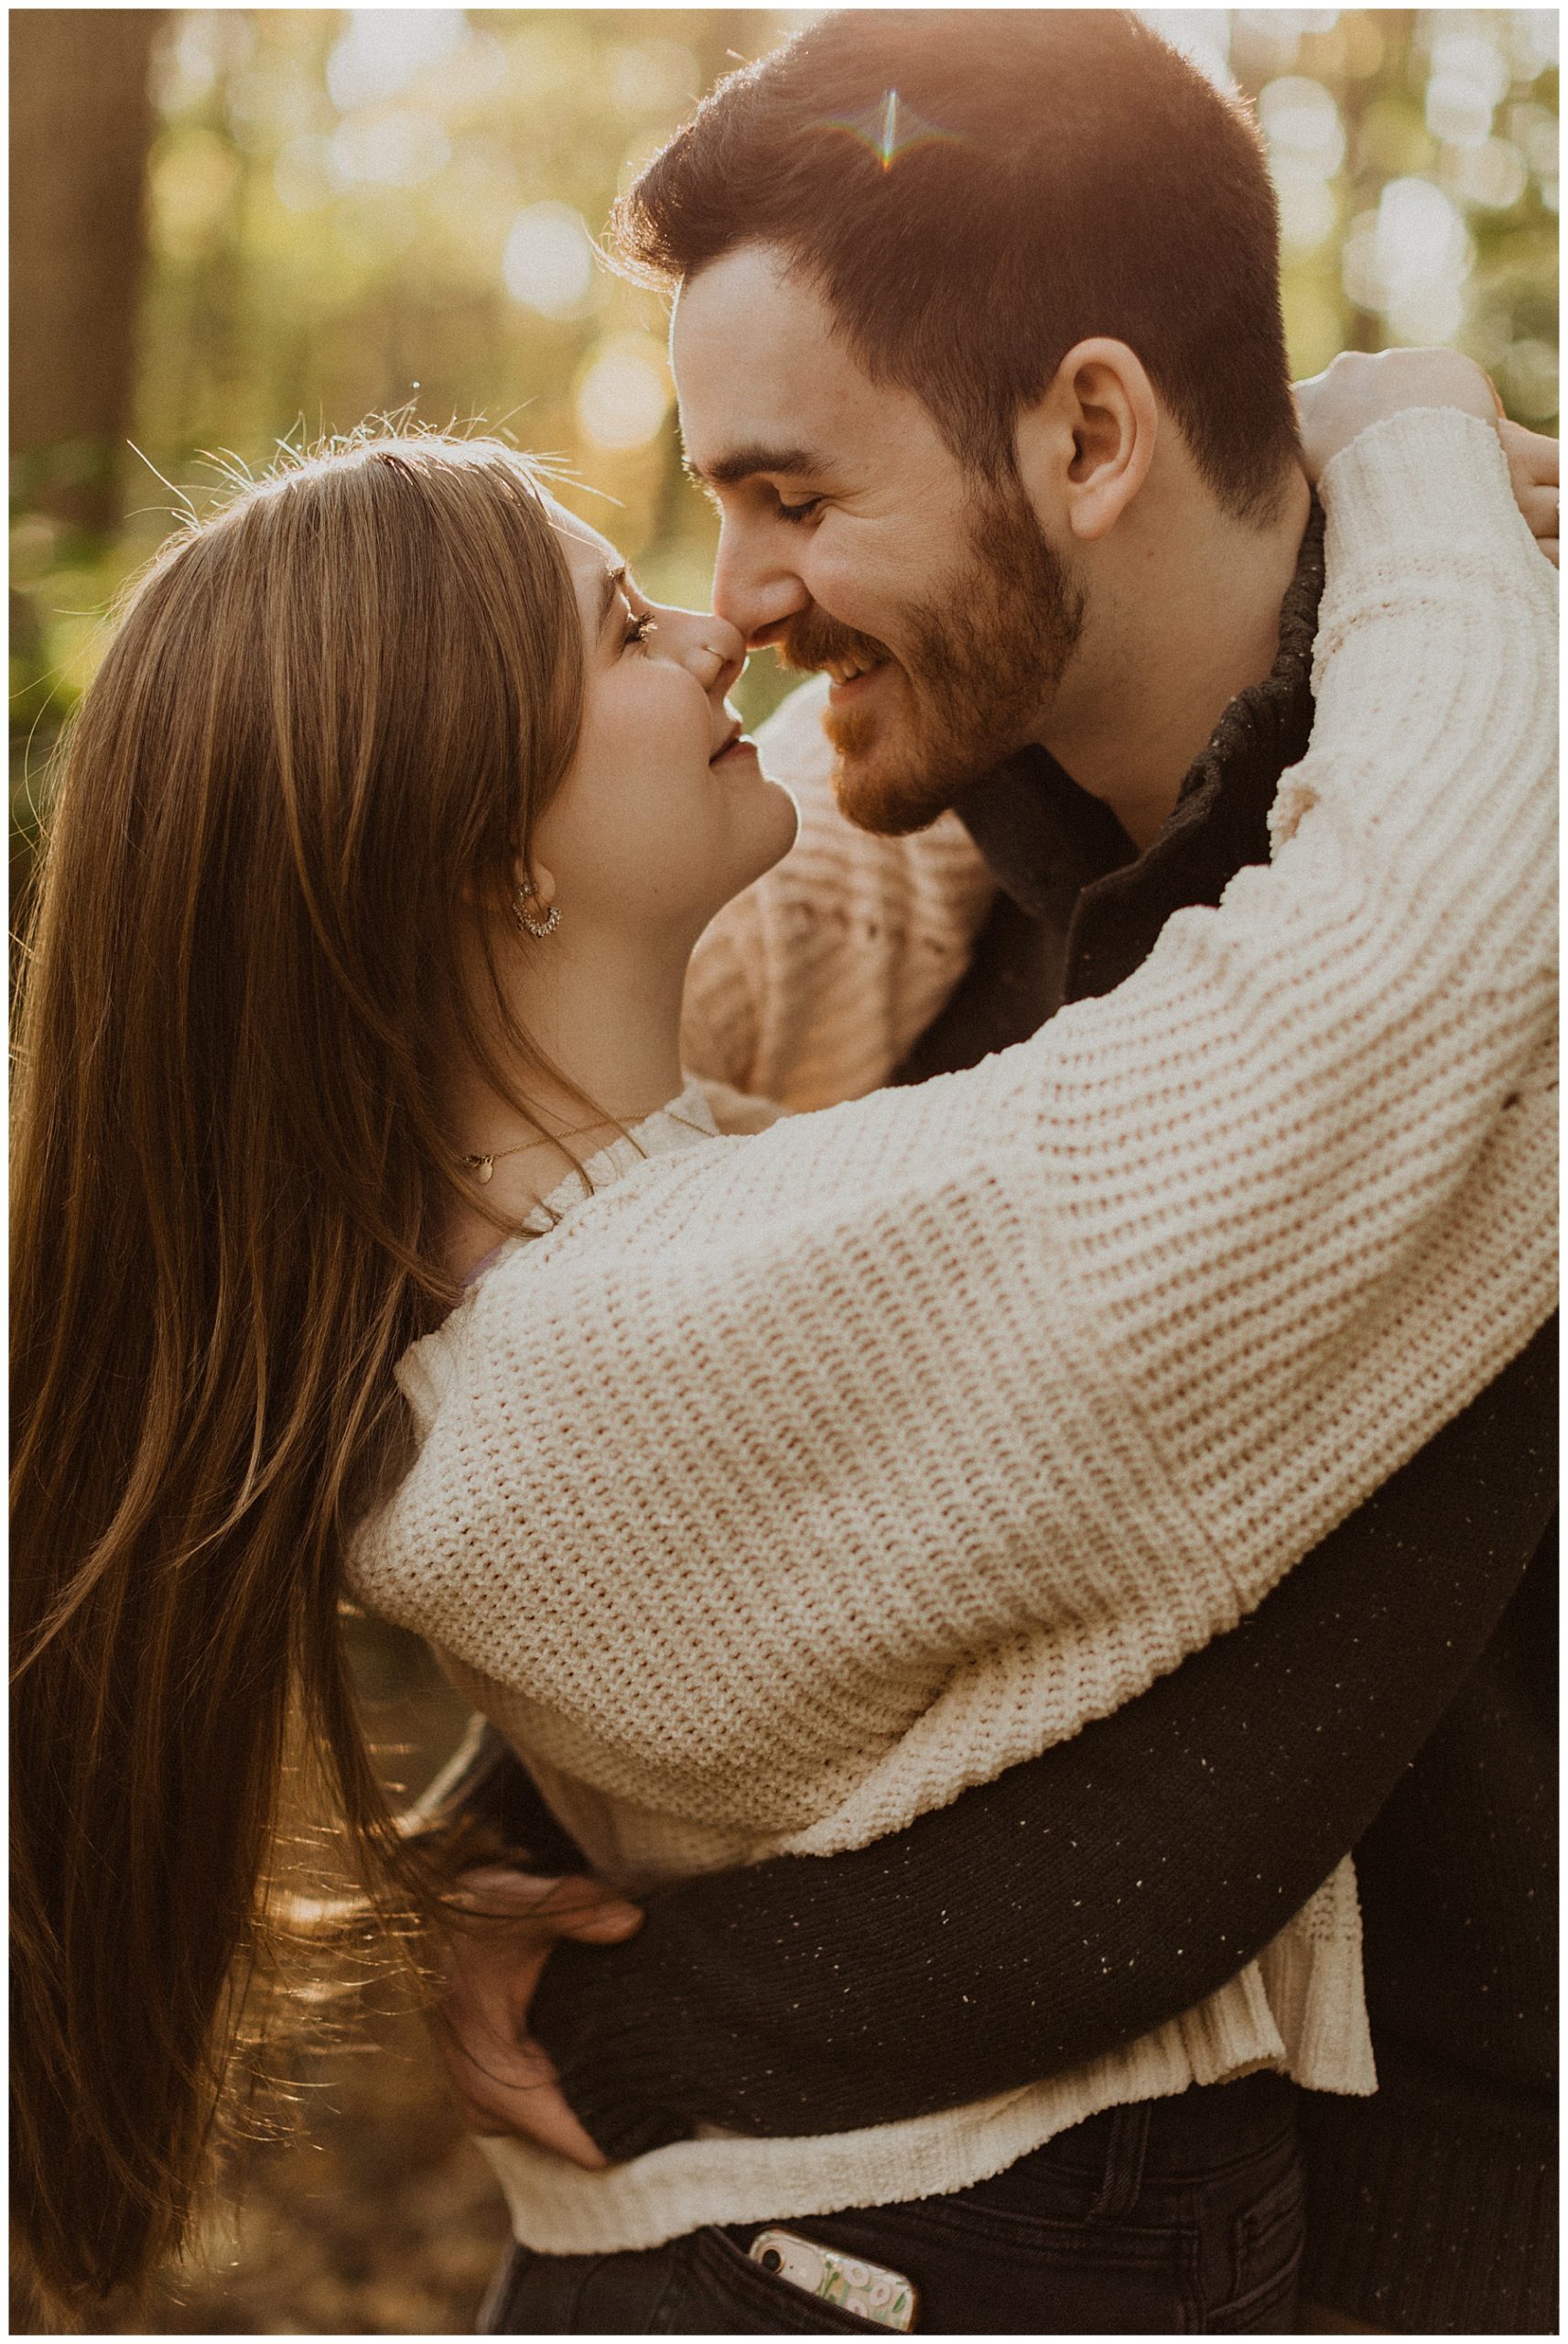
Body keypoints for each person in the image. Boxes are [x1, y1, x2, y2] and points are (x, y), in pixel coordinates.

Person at [11, 353, 1552, 2339]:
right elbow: (1426, 958)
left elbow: (897, 794)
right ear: (490, 860)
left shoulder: (504, 1241)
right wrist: (1395, 435)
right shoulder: (680, 1335)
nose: (714, 615)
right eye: (615, 621)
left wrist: (1019, 574)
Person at [419, 13, 1561, 2334]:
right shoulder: (867, 906)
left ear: (1085, 430)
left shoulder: (1475, 895)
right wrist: (507, 1830)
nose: (726, 596)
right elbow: (722, 1457)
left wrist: (641, 2020)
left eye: (791, 495)